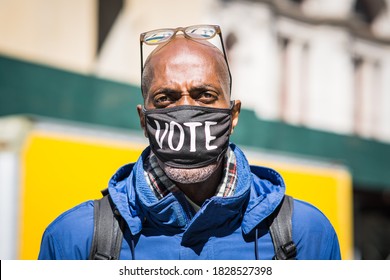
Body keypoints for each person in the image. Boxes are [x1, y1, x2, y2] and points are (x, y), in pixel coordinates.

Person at [38, 25, 341, 260]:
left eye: (204, 95)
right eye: (166, 99)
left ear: (233, 114)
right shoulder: (76, 238)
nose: (186, 111)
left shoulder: (303, 234)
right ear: (144, 120)